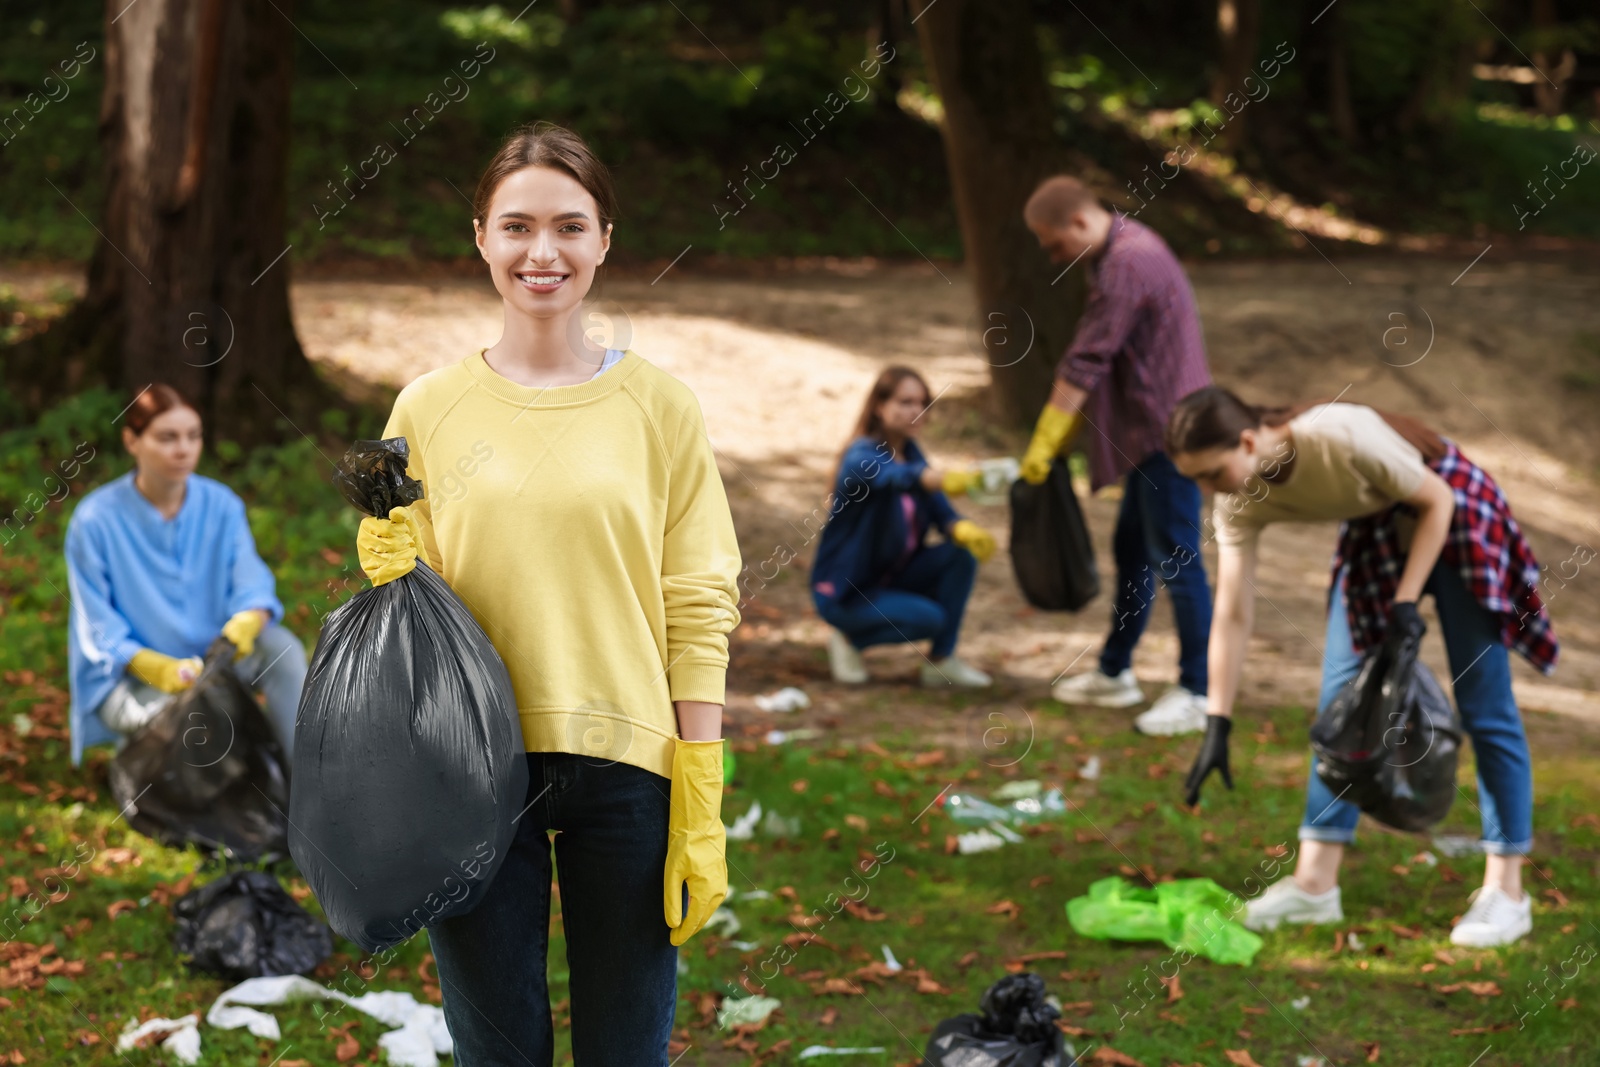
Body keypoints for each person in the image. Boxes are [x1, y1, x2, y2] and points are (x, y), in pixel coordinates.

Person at [354, 122, 741, 1065]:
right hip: (474, 768)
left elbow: (698, 598)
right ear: (480, 237)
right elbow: (419, 615)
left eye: (569, 226)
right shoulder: (427, 408)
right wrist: (388, 564)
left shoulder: (661, 406)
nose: (543, 251)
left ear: (605, 238)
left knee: (626, 1050)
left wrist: (700, 783)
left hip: (631, 770)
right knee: (499, 1051)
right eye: (517, 225)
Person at [1169, 386, 1557, 948]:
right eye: (1195, 480)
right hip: (1377, 524)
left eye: (1211, 473)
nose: (1207, 490)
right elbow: (1231, 611)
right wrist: (1217, 719)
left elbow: (1437, 501)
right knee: (1343, 705)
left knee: (1482, 701)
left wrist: (1405, 601)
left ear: (1249, 441)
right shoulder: (1237, 497)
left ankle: (1508, 890)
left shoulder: (1339, 435)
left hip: (1451, 506)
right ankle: (1315, 885)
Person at [1019, 176, 1214, 735]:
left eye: (1054, 243)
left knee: (1179, 562)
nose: (1053, 256)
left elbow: (1086, 361)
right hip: (1152, 434)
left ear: (1079, 222)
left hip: (1168, 436)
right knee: (1132, 549)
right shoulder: (1122, 248)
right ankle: (1115, 672)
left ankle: (1197, 691)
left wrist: (1047, 436)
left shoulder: (1127, 263)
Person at [65, 384, 307, 769]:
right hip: (130, 681)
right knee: (195, 726)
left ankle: (305, 779)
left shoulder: (221, 505)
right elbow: (97, 629)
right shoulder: (94, 520)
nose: (183, 449)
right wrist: (157, 669)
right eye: (167, 437)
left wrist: (248, 620)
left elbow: (252, 583)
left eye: (193, 436)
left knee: (283, 649)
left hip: (212, 665)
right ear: (132, 440)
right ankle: (137, 761)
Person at [809, 366, 1000, 688]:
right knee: (930, 618)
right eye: (906, 402)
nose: (917, 411)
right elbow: (897, 479)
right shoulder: (860, 456)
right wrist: (951, 478)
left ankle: (941, 662)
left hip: (891, 576)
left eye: (922, 403)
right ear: (880, 406)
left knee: (960, 555)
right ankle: (849, 640)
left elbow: (940, 511)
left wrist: (962, 529)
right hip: (847, 591)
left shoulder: (911, 452)